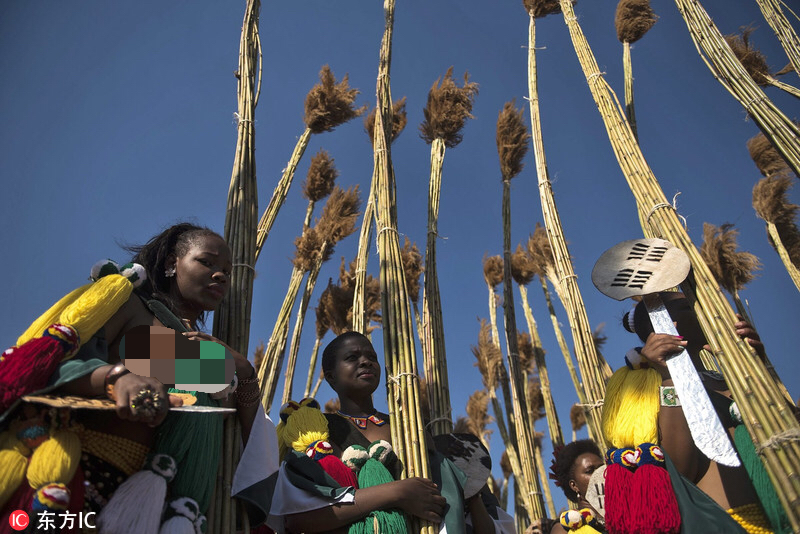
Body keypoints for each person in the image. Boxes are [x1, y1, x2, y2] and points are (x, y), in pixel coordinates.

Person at [0, 223, 276, 530]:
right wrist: (116, 379)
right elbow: (56, 364)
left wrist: (244, 369)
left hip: (155, 513)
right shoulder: (130, 304)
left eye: (226, 270)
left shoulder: (211, 355)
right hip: (77, 479)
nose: (220, 275)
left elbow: (247, 436)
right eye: (207, 262)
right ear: (173, 263)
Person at [269, 331, 513, 533]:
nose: (365, 362)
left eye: (371, 357)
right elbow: (298, 519)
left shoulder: (412, 428)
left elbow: (456, 511)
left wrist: (468, 489)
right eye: (352, 357)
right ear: (331, 377)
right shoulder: (318, 429)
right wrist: (396, 493)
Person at [623, 291, 788, 533]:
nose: (706, 308)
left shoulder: (726, 378)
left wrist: (757, 366)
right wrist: (669, 375)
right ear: (666, 326)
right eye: (689, 306)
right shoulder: (650, 391)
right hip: (736, 524)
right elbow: (680, 469)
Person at [526, 440, 606, 534]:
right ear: (574, 485)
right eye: (590, 471)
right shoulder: (564, 529)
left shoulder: (621, 515)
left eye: (602, 468)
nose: (601, 474)